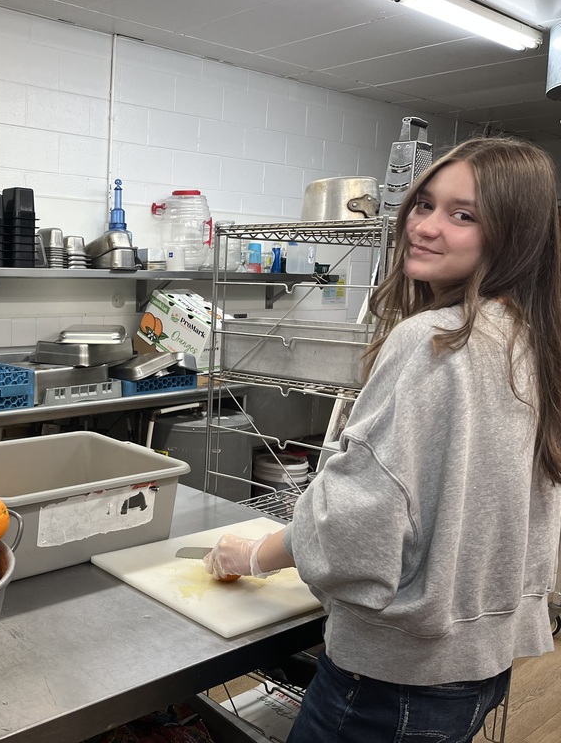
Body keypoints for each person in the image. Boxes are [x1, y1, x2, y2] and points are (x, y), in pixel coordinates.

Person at [205, 137, 561, 742]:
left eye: (463, 214)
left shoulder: (433, 341)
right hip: (483, 659)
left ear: (513, 236)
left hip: (397, 678)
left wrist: (258, 555)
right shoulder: (534, 339)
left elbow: (356, 527)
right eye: (423, 204)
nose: (424, 227)